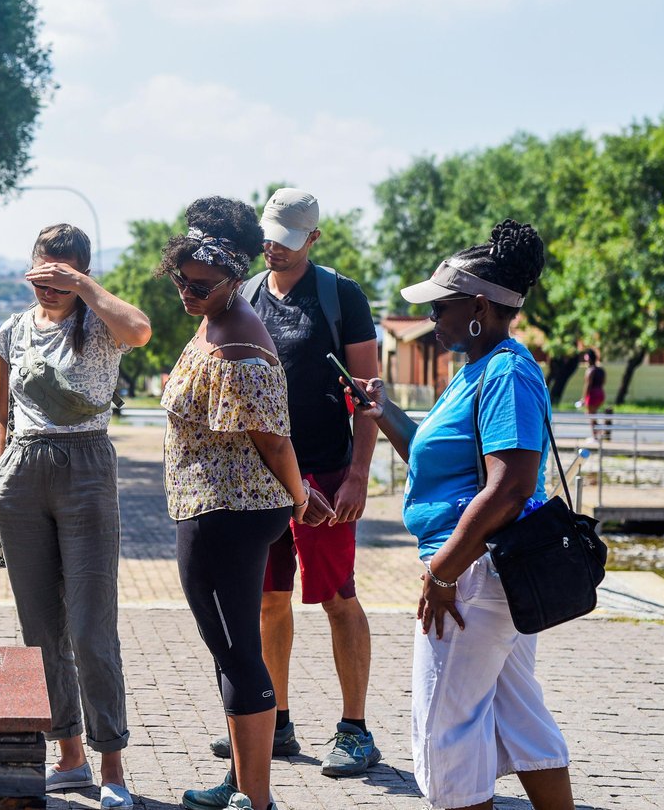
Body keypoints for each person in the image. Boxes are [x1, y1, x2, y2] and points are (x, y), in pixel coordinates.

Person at [354, 219, 575, 810]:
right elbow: (442, 460)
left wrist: (442, 572)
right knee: (517, 715)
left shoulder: (504, 372)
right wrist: (386, 414)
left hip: (475, 573)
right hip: (488, 574)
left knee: (444, 732)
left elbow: (509, 488)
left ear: (478, 306)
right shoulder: (478, 368)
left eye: (442, 307)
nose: (433, 319)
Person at [159, 197, 336, 810]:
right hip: (214, 505)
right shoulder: (219, 315)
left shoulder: (236, 340)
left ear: (235, 278)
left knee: (237, 650)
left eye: (201, 282)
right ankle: (239, 782)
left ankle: (256, 801)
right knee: (228, 647)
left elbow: (272, 435)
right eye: (180, 278)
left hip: (228, 511)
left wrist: (301, 496)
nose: (187, 290)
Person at [207, 187, 382, 777]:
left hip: (325, 473)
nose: (273, 250)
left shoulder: (341, 297)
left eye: (286, 241)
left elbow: (368, 398)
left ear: (313, 239)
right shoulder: (246, 294)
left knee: (337, 598)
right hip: (259, 478)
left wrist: (358, 475)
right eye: (268, 239)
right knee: (268, 598)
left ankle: (355, 730)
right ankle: (275, 720)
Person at [0, 224, 151, 810]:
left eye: (62, 274)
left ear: (80, 273)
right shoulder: (12, 329)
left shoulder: (100, 324)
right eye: (42, 273)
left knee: (89, 628)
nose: (48, 286)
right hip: (23, 474)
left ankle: (112, 769)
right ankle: (70, 757)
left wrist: (82, 287)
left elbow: (141, 329)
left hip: (86, 469)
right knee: (41, 631)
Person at [580, 350, 606, 439]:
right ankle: (599, 431)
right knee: (593, 414)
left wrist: (583, 398)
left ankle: (595, 436)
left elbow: (588, 384)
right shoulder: (601, 370)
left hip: (593, 395)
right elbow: (603, 382)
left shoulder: (590, 370)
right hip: (600, 393)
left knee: (591, 415)